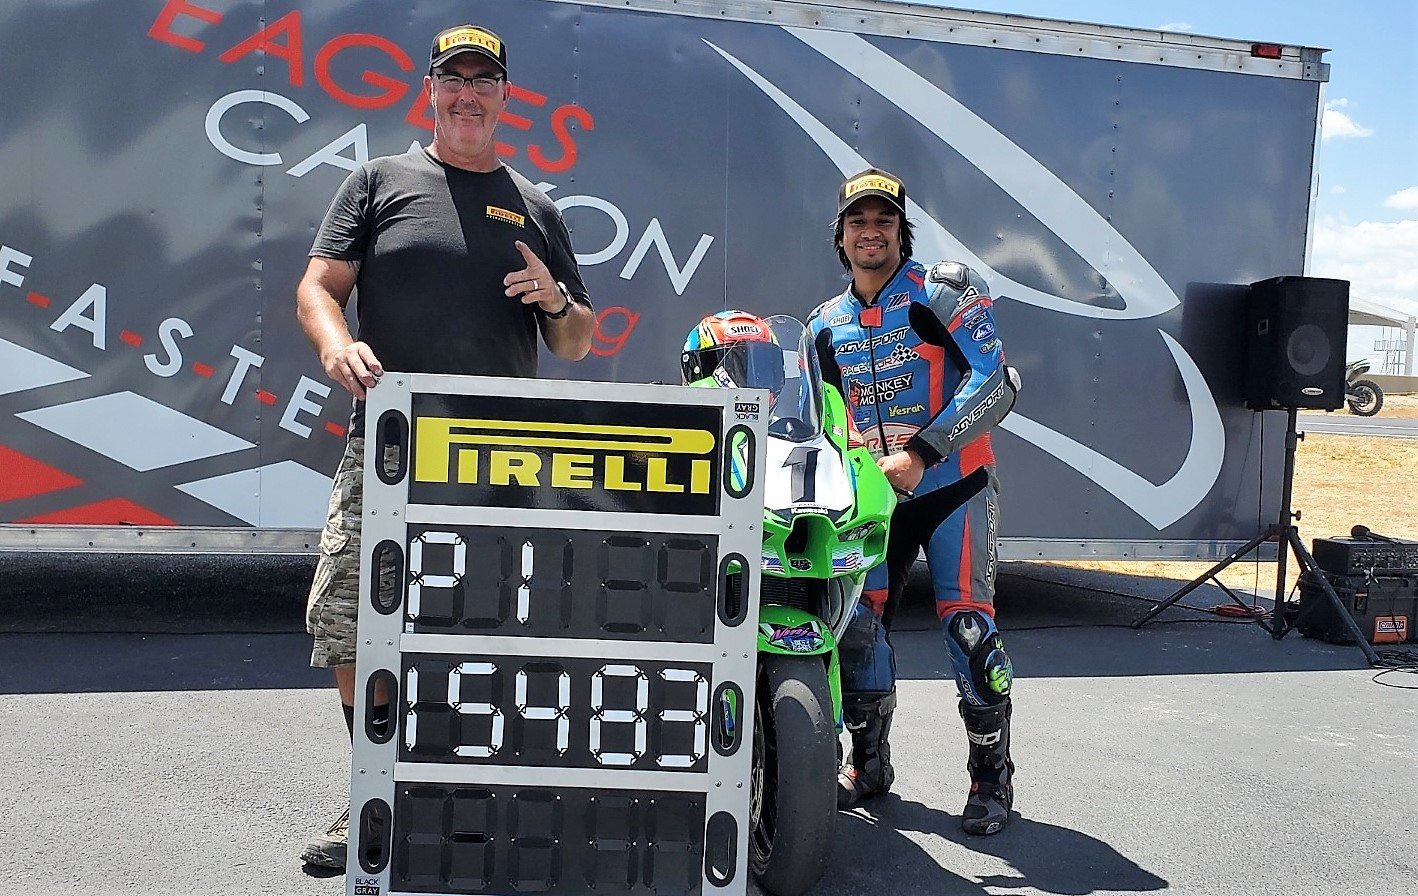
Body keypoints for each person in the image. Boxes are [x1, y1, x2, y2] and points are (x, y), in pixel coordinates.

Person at [293, 23, 595, 869]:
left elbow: (576, 340)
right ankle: (373, 789)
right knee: (348, 624)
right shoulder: (378, 181)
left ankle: (472, 795)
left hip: (501, 457)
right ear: (431, 90)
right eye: (453, 78)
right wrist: (333, 345)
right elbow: (319, 286)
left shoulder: (535, 204)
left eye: (484, 80)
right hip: (388, 447)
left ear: (504, 96)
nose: (469, 93)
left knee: (485, 634)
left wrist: (553, 300)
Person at [806, 168, 1021, 835]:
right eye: (858, 222)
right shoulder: (823, 324)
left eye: (884, 221)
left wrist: (921, 453)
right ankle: (869, 766)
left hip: (954, 485)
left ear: (902, 232)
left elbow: (999, 382)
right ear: (840, 237)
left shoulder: (941, 290)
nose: (871, 232)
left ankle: (992, 781)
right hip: (873, 501)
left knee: (967, 625)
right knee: (860, 625)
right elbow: (815, 418)